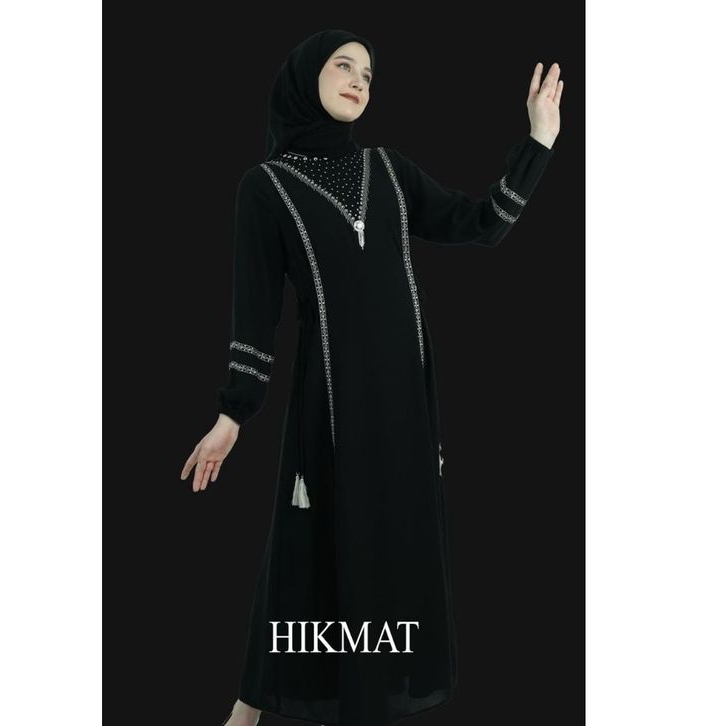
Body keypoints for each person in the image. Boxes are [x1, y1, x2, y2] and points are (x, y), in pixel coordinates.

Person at [180, 28, 562, 726]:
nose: (360, 79)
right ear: (307, 76)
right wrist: (233, 413)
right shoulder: (265, 188)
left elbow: (481, 223)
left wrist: (538, 141)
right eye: (343, 65)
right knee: (308, 551)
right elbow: (255, 313)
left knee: (393, 550)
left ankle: (368, 702)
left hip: (405, 406)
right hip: (329, 402)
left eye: (369, 73)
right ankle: (245, 712)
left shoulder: (388, 170)